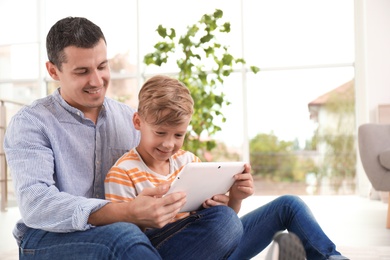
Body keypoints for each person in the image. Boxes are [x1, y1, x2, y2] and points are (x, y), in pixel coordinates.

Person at [2, 16, 349, 260]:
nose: (97, 80)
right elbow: (36, 205)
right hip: (51, 241)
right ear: (53, 71)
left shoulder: (129, 118)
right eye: (82, 71)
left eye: (102, 66)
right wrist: (125, 212)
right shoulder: (31, 123)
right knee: (124, 236)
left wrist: (225, 197)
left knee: (225, 221)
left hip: (140, 240)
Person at [104, 75, 254, 225]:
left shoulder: (191, 163)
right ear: (138, 122)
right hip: (154, 245)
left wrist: (235, 200)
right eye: (160, 133)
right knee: (225, 218)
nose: (169, 144)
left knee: (227, 215)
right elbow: (124, 238)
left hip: (201, 240)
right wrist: (145, 217)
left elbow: (218, 224)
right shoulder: (123, 173)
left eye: (178, 135)